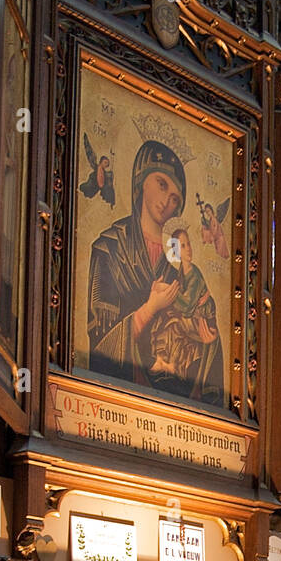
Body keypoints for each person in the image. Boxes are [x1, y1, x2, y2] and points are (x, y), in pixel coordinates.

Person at [87, 140, 188, 389]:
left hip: (168, 397)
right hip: (114, 393)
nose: (166, 200)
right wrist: (150, 308)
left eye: (175, 198)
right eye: (161, 185)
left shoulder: (176, 264)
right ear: (141, 179)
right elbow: (100, 343)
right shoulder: (109, 247)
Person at [148, 227, 225, 406]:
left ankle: (172, 365)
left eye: (188, 244)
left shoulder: (194, 274)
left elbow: (188, 306)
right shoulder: (182, 272)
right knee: (163, 319)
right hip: (193, 317)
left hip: (202, 321)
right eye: (183, 245)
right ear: (175, 251)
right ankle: (161, 359)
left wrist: (166, 291)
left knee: (175, 324)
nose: (188, 248)